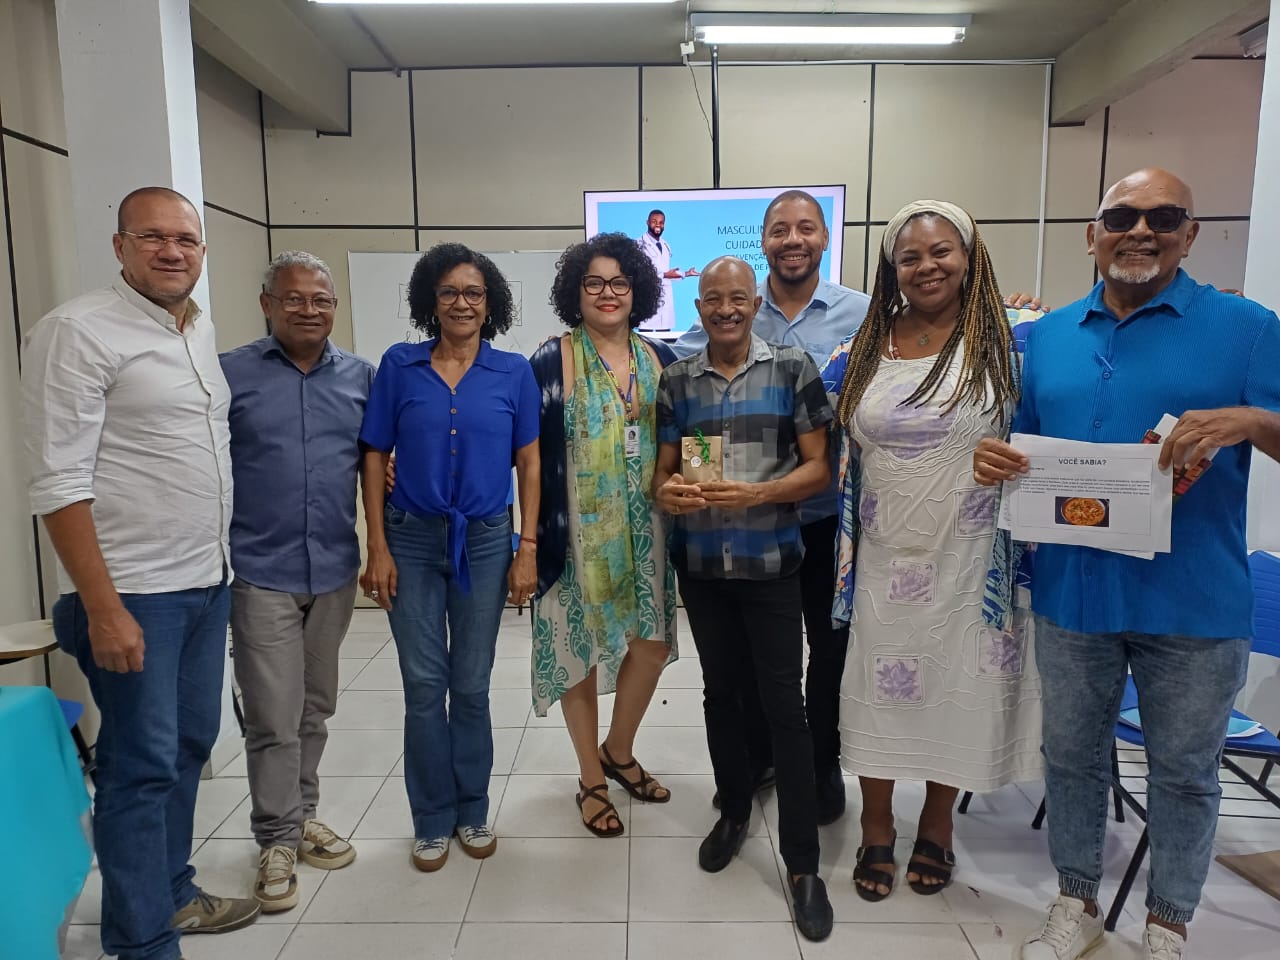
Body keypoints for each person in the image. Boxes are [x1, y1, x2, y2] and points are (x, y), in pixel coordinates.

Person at [974, 168, 1280, 960]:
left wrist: (1250, 421)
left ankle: (1167, 923)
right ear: (1093, 235)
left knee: (1185, 772)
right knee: (1071, 760)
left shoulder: (1248, 328)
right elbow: (1022, 442)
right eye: (1121, 217)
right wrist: (996, 459)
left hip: (1193, 600)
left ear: (1190, 233)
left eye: (1163, 216)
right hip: (1074, 594)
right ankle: (1075, 903)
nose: (1141, 230)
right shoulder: (1049, 336)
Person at [22, 186, 259, 960]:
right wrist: (103, 608)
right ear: (120, 246)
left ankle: (171, 892)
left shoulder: (196, 329)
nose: (171, 251)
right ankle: (142, 939)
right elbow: (58, 483)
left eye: (185, 239)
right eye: (152, 237)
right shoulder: (77, 332)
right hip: (134, 594)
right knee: (138, 766)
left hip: (204, 583)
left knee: (188, 746)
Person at [825, 200, 1044, 903]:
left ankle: (938, 825)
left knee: (960, 688)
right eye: (909, 256)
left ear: (970, 258)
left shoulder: (1014, 341)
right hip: (884, 556)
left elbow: (1049, 424)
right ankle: (877, 825)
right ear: (891, 269)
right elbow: (821, 434)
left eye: (941, 251)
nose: (926, 266)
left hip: (973, 554)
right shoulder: (861, 348)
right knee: (877, 690)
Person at [675, 190, 872, 823]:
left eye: (805, 228)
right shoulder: (736, 307)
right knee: (754, 658)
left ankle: (820, 764)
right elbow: (676, 362)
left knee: (827, 651)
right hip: (754, 525)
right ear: (763, 241)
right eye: (780, 230)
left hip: (828, 519)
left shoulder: (861, 313)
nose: (793, 240)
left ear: (824, 238)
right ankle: (759, 759)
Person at [654, 255, 835, 942]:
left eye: (737, 298)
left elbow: (820, 469)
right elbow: (664, 475)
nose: (725, 309)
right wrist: (668, 492)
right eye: (712, 299)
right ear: (698, 306)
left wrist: (760, 492)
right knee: (721, 695)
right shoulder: (677, 380)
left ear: (755, 304)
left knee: (785, 707)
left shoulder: (791, 369)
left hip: (771, 566)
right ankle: (733, 810)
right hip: (702, 567)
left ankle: (803, 863)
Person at [359, 242, 540, 873]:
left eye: (474, 293)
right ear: (430, 302)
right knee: (422, 685)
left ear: (491, 304)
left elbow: (529, 463)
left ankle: (472, 808)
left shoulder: (513, 372)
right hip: (409, 540)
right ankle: (431, 818)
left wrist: (526, 547)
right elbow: (374, 455)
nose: (462, 303)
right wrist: (376, 545)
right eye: (449, 293)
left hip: (486, 542)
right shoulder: (400, 366)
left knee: (470, 684)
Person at [219, 251, 374, 912]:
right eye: (294, 298)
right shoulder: (229, 375)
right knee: (273, 715)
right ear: (267, 304)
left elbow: (376, 466)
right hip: (261, 571)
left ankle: (301, 813)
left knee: (315, 707)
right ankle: (276, 838)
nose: (308, 310)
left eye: (321, 299)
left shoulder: (361, 377)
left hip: (333, 568)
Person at [528, 232, 680, 836]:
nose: (608, 292)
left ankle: (619, 749)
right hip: (576, 536)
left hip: (649, 531)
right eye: (594, 282)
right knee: (579, 651)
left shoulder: (661, 358)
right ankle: (591, 777)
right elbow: (526, 454)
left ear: (638, 290)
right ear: (576, 291)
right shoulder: (552, 358)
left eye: (620, 282)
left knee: (652, 645)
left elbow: (685, 436)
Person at [637, 209, 691, 331]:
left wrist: (686, 273)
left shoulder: (665, 244)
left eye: (661, 222)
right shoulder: (639, 244)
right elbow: (640, 272)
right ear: (647, 222)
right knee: (646, 334)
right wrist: (665, 275)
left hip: (665, 297)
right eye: (654, 221)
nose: (658, 225)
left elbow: (666, 272)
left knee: (665, 334)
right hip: (648, 296)